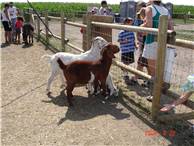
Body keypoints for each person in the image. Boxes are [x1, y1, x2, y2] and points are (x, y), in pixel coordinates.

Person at [141, 0, 174, 78]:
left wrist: (140, 27)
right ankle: (160, 86)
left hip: (151, 41)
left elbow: (149, 25)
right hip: (163, 42)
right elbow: (171, 28)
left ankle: (157, 88)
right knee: (161, 69)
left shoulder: (149, 8)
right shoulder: (166, 10)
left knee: (154, 72)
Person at [118, 17, 136, 85]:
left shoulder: (131, 32)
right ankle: (125, 75)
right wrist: (123, 41)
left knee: (128, 62)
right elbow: (119, 40)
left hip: (131, 50)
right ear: (125, 23)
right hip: (125, 50)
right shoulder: (122, 32)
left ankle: (124, 70)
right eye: (130, 23)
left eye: (132, 24)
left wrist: (135, 45)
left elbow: (133, 39)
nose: (131, 25)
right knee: (125, 62)